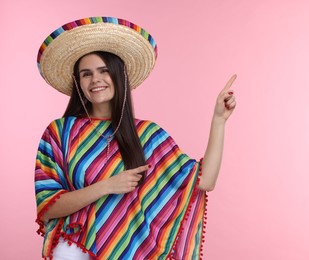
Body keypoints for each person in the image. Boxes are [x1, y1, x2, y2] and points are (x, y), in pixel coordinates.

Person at [35, 17, 236, 260]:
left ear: (120, 76)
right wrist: (107, 186)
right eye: (86, 74)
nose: (95, 80)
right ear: (78, 83)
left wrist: (218, 120)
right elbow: (47, 208)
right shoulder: (60, 133)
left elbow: (204, 181)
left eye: (104, 71)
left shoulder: (147, 135)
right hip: (74, 252)